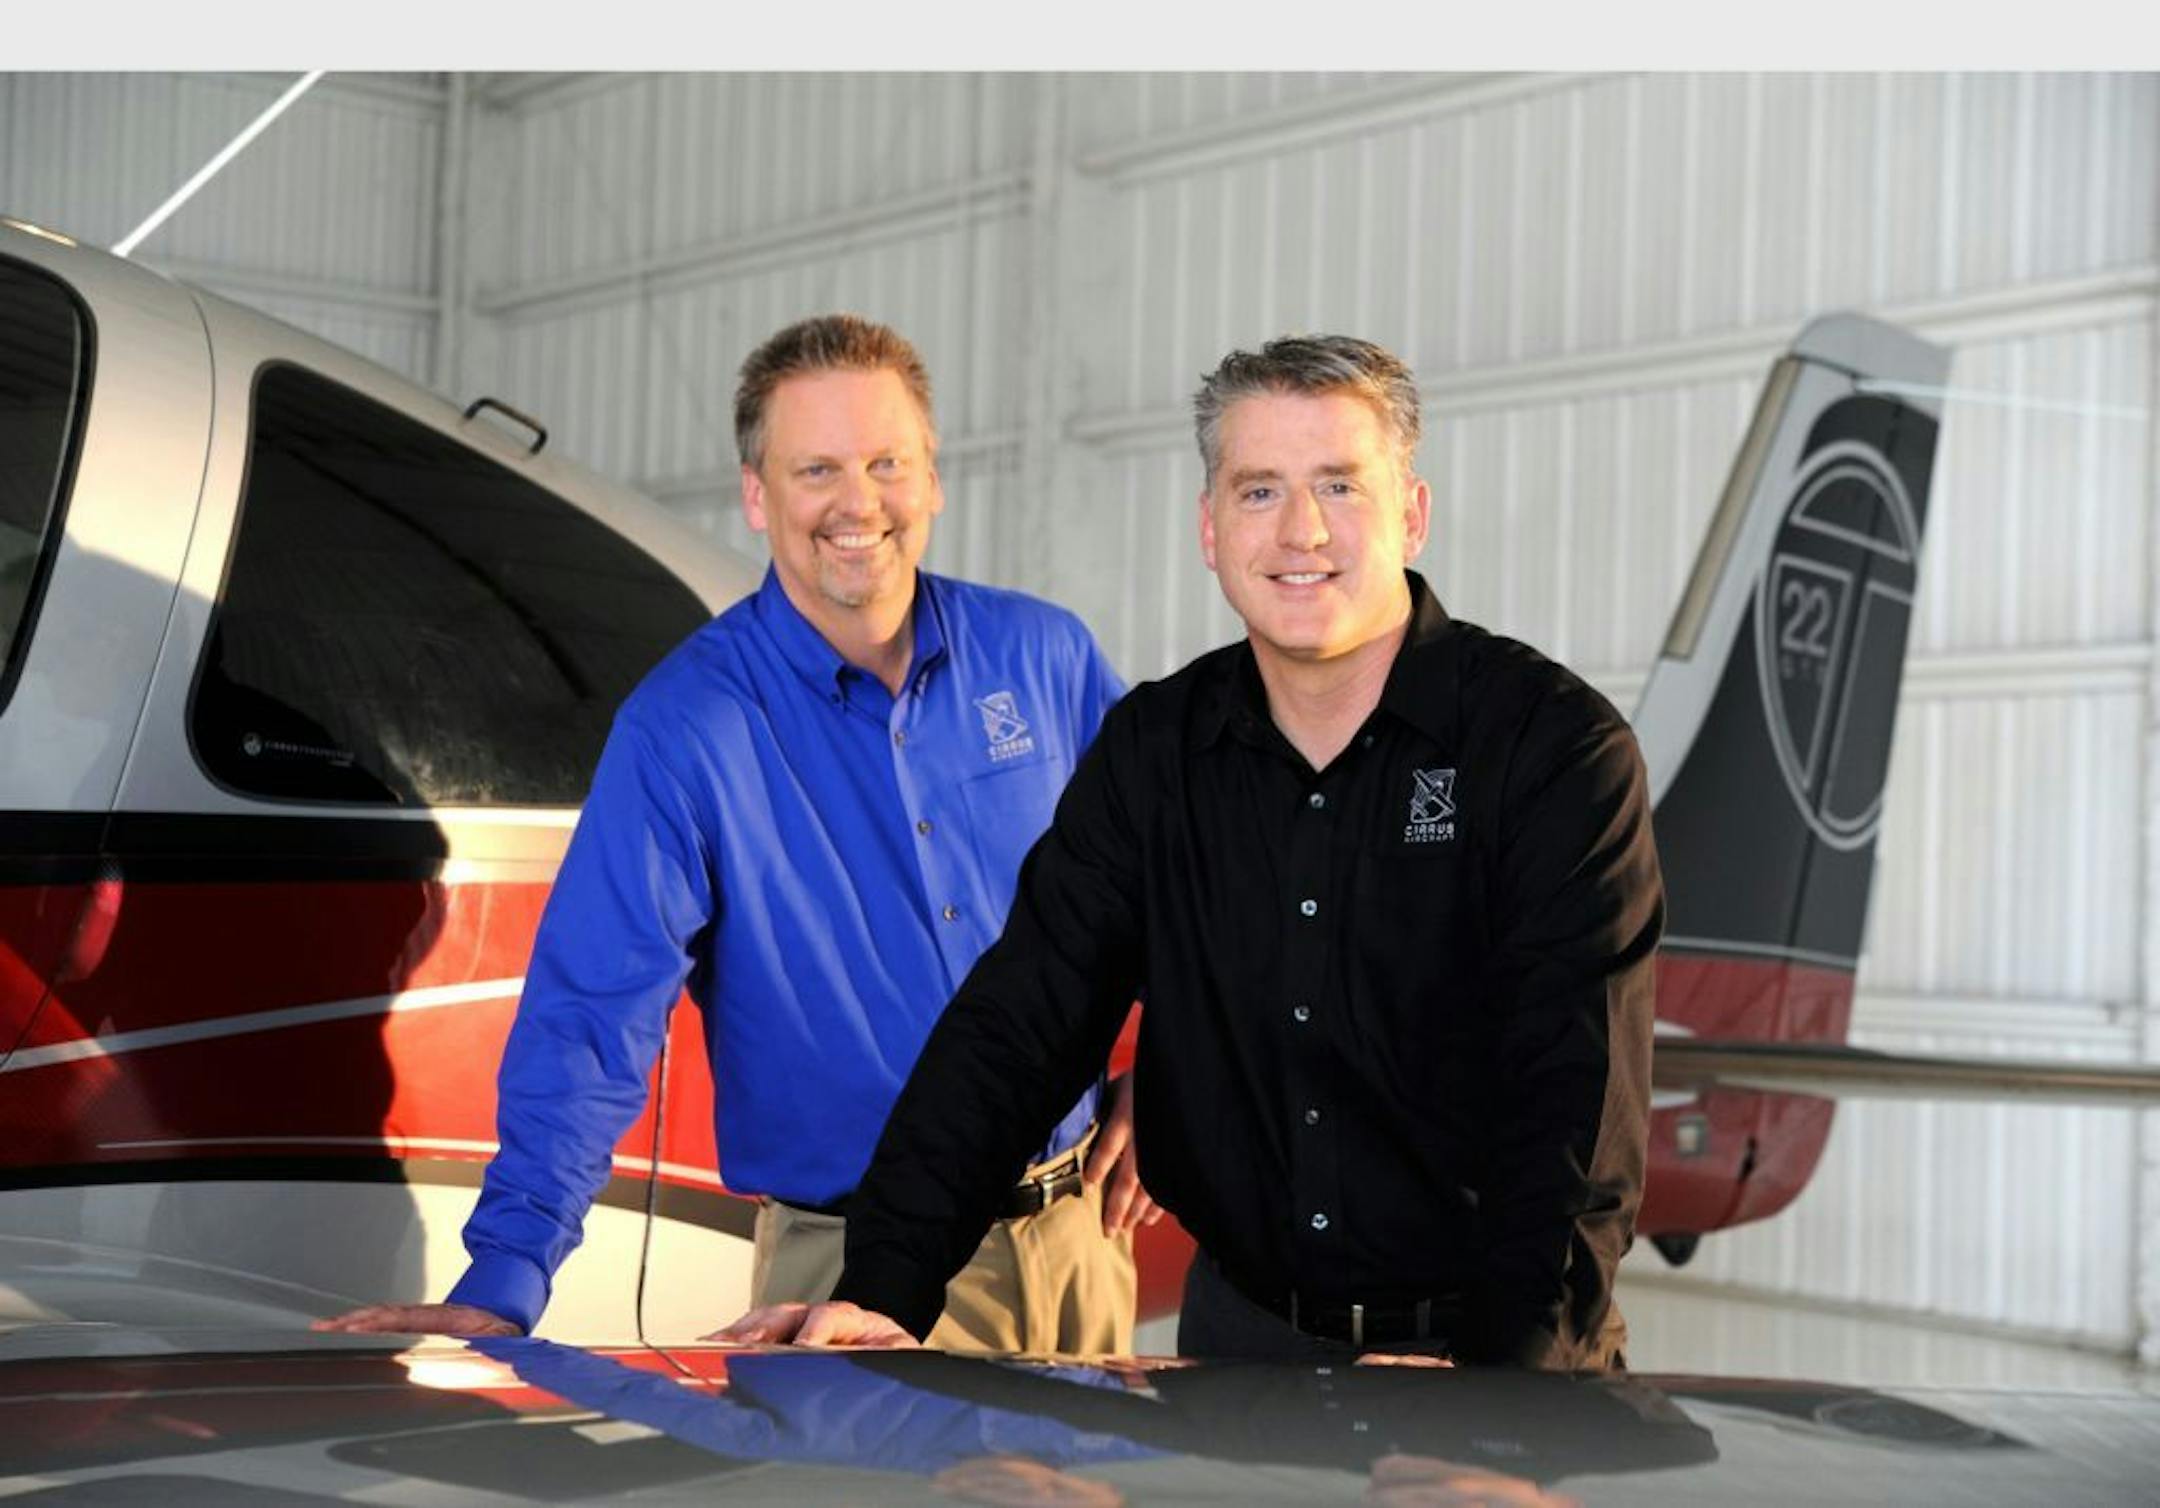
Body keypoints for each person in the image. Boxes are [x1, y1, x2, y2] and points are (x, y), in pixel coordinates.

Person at [722, 334, 1661, 1368]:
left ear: (1413, 514)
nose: (1301, 530)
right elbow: (1020, 1025)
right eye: (1259, 491)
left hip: (1488, 1352)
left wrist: (1504, 1380)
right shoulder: (1154, 753)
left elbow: (1575, 1106)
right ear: (1210, 530)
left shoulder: (1555, 752)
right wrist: (884, 1287)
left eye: (1340, 484)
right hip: (1235, 1360)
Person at [317, 315, 1149, 1354]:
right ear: (758, 495)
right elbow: (593, 1011)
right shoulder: (684, 730)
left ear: (933, 477)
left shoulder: (1045, 657)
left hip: (1081, 1247)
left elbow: (1179, 877)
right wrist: (506, 1273)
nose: (860, 502)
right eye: (818, 469)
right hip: (852, 1280)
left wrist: (1162, 1063)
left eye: (889, 462)